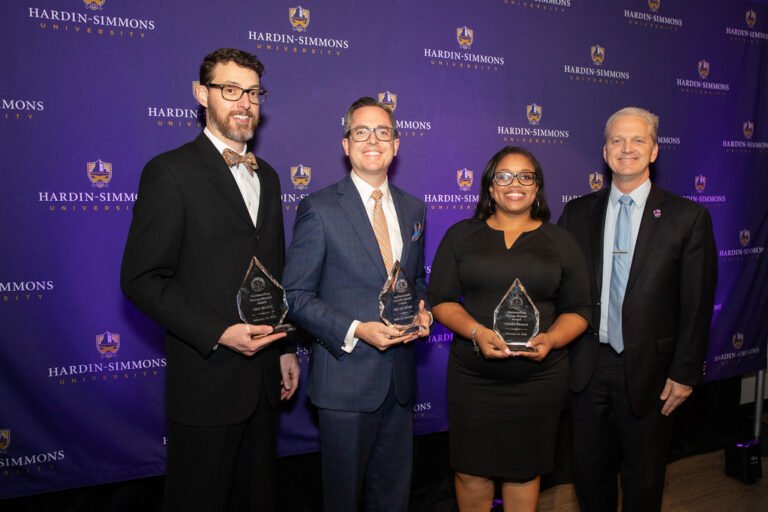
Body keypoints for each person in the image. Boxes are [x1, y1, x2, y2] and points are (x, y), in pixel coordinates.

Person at [120, 48, 299, 512]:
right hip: (206, 381)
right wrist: (220, 332)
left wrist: (282, 348)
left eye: (254, 92)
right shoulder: (170, 172)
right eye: (231, 90)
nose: (245, 103)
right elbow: (141, 278)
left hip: (262, 381)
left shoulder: (271, 176)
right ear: (202, 95)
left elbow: (271, 272)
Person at [558, 107, 718, 512]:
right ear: (605, 150)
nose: (626, 148)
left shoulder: (688, 217)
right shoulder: (576, 214)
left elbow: (697, 305)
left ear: (654, 151)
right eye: (617, 140)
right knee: (589, 477)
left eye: (637, 140)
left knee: (644, 481)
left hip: (653, 372)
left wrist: (684, 372)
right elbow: (560, 290)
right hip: (587, 367)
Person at [282, 96, 431, 512]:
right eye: (361, 132)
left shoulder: (414, 208)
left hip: (400, 384)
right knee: (343, 500)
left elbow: (415, 281)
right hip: (345, 384)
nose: (373, 140)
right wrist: (356, 329)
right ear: (345, 144)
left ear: (396, 145)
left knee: (393, 499)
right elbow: (294, 296)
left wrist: (424, 310)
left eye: (383, 132)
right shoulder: (319, 208)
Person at [428, 146, 591, 512]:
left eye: (525, 176)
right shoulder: (461, 236)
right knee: (471, 473)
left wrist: (552, 338)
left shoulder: (561, 241)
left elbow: (580, 308)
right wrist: (475, 332)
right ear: (489, 187)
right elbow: (441, 299)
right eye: (503, 176)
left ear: (537, 187)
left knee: (523, 472)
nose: (514, 184)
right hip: (473, 381)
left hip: (538, 381)